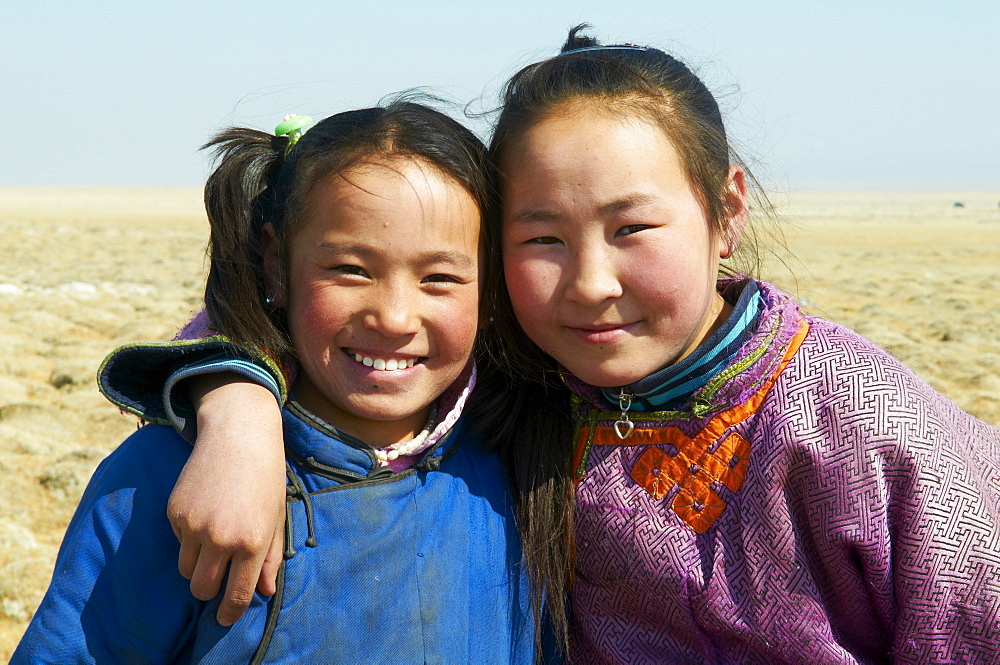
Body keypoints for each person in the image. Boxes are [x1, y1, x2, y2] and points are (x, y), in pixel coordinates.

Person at [87, 27, 1000, 664]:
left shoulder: (876, 432)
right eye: (541, 239)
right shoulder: (527, 379)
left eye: (633, 226)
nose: (590, 282)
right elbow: (298, 322)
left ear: (725, 211)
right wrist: (239, 408)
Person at [12, 101, 541, 664]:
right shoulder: (167, 477)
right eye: (351, 270)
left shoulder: (520, 456)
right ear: (275, 263)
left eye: (439, 278)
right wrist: (236, 415)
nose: (393, 317)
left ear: (492, 288)